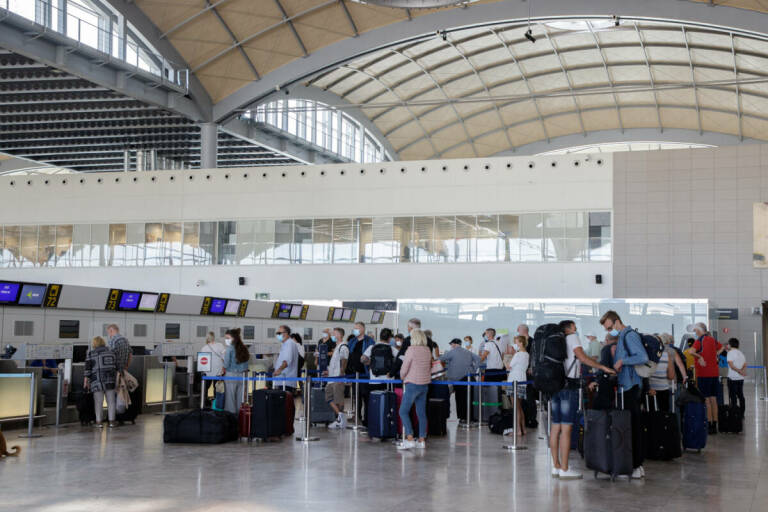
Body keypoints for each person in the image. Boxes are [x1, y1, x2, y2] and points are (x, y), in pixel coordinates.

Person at [551, 319, 615, 479]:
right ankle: (565, 469)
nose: (576, 329)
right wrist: (602, 367)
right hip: (568, 386)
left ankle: (556, 466)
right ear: (570, 328)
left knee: (555, 427)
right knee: (566, 427)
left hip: (555, 385)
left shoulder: (555, 340)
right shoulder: (572, 337)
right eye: (574, 326)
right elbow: (582, 357)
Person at [599, 311, 647, 479]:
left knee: (632, 427)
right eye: (607, 329)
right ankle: (634, 465)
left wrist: (622, 362)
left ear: (617, 321)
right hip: (626, 386)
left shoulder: (629, 336)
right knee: (630, 426)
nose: (609, 331)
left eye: (610, 327)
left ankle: (636, 465)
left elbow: (642, 356)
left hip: (631, 387)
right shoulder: (623, 337)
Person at [685, 322, 724, 434]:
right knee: (714, 399)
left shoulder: (699, 340)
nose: (695, 332)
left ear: (700, 330)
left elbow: (691, 351)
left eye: (696, 330)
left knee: (706, 400)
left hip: (703, 374)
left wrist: (700, 356)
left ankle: (709, 424)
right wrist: (715, 354)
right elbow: (721, 348)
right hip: (714, 374)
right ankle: (715, 424)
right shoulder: (712, 339)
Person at [397, 329, 432, 450]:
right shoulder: (427, 350)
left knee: (403, 411)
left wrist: (401, 376)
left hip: (412, 384)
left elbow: (404, 367)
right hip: (424, 385)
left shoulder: (411, 350)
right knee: (421, 413)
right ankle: (422, 440)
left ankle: (410, 438)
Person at [439, 338, 481, 423]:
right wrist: (473, 369)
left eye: (451, 345)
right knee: (470, 399)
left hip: (458, 379)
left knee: (460, 399)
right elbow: (478, 359)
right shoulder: (467, 351)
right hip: (469, 378)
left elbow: (441, 359)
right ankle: (470, 417)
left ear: (454, 344)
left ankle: (462, 418)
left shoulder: (452, 352)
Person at [84, 336, 117, 428]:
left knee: (98, 402)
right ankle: (111, 422)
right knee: (111, 402)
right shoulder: (111, 352)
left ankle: (99, 422)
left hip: (96, 381)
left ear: (94, 344)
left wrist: (86, 381)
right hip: (110, 380)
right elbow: (116, 366)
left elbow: (87, 369)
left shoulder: (91, 353)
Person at [347, 322, 375, 425]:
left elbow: (372, 354)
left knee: (366, 397)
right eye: (354, 328)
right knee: (356, 396)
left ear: (363, 329)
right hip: (354, 374)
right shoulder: (352, 341)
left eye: (357, 328)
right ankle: (357, 416)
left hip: (365, 373)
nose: (355, 330)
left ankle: (366, 418)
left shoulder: (369, 341)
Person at [325, 327, 349, 430]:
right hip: (332, 377)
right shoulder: (337, 347)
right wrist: (329, 372)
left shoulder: (343, 347)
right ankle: (341, 417)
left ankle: (340, 420)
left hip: (338, 378)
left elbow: (344, 361)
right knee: (328, 397)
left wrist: (341, 373)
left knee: (339, 399)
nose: (333, 336)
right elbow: (335, 363)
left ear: (339, 335)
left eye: (334, 334)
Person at [506, 335, 529, 436]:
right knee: (519, 407)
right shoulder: (526, 354)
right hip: (522, 379)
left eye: (516, 342)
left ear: (520, 343)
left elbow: (508, 366)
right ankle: (523, 429)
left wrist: (507, 357)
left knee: (515, 407)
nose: (514, 345)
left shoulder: (518, 354)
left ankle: (518, 430)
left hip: (514, 379)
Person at [222, 328, 249, 415]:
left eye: (227, 338)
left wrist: (222, 363)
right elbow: (246, 365)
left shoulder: (229, 349)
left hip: (230, 375)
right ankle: (239, 417)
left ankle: (231, 418)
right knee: (240, 398)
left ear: (234, 338)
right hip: (242, 376)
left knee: (230, 398)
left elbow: (226, 364)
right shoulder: (244, 348)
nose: (226, 340)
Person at [648, 335, 675, 412]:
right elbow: (671, 376)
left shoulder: (646, 356)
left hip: (650, 389)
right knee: (664, 414)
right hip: (663, 389)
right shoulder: (666, 356)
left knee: (651, 414)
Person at [199, 331, 226, 405]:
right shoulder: (220, 345)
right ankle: (216, 403)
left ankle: (204, 403)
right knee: (217, 388)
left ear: (207, 338)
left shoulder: (204, 348)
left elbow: (202, 361)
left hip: (207, 372)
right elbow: (225, 357)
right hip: (218, 372)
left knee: (205, 387)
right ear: (214, 337)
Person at [273, 325, 299, 394]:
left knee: (284, 403)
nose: (278, 335)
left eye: (279, 333)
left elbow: (287, 360)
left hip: (285, 381)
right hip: (284, 380)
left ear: (286, 333)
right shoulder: (286, 344)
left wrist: (279, 370)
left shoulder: (289, 344)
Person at [726, 338, 747, 418]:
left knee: (733, 396)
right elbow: (745, 364)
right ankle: (742, 414)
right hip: (740, 378)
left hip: (732, 378)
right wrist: (741, 371)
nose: (727, 345)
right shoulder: (741, 353)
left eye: (728, 344)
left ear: (730, 344)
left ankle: (734, 414)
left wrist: (739, 371)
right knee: (741, 396)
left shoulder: (730, 353)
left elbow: (731, 366)